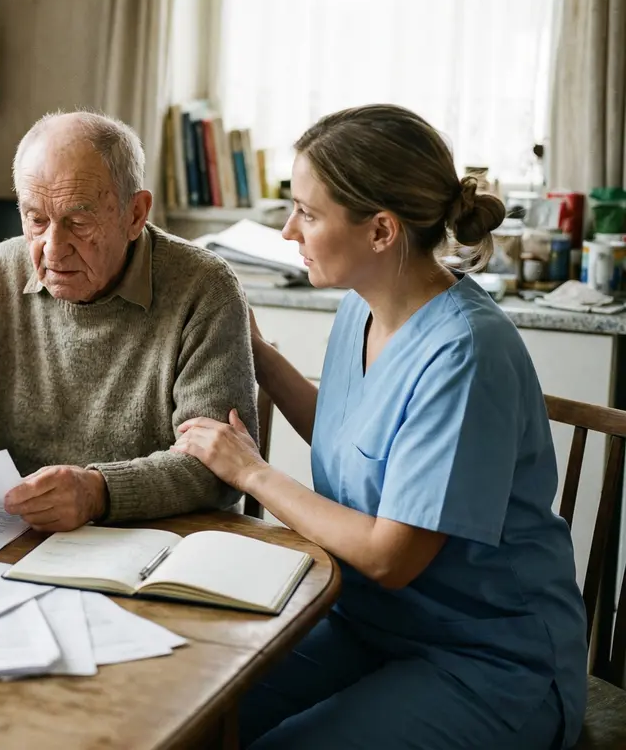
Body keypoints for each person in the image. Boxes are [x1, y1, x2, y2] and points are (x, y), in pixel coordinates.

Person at [172, 104, 587, 749]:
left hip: (490, 662)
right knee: (195, 711)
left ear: (382, 231)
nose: (288, 231)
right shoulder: (359, 312)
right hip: (369, 624)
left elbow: (390, 557)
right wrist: (258, 353)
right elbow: (349, 439)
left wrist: (250, 470)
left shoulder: (465, 353)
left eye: (307, 213)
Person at [0, 110, 256, 531]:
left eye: (78, 223)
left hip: (164, 542)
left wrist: (99, 491)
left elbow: (217, 465)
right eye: (36, 219)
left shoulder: (204, 287)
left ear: (135, 214)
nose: (52, 248)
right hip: (28, 535)